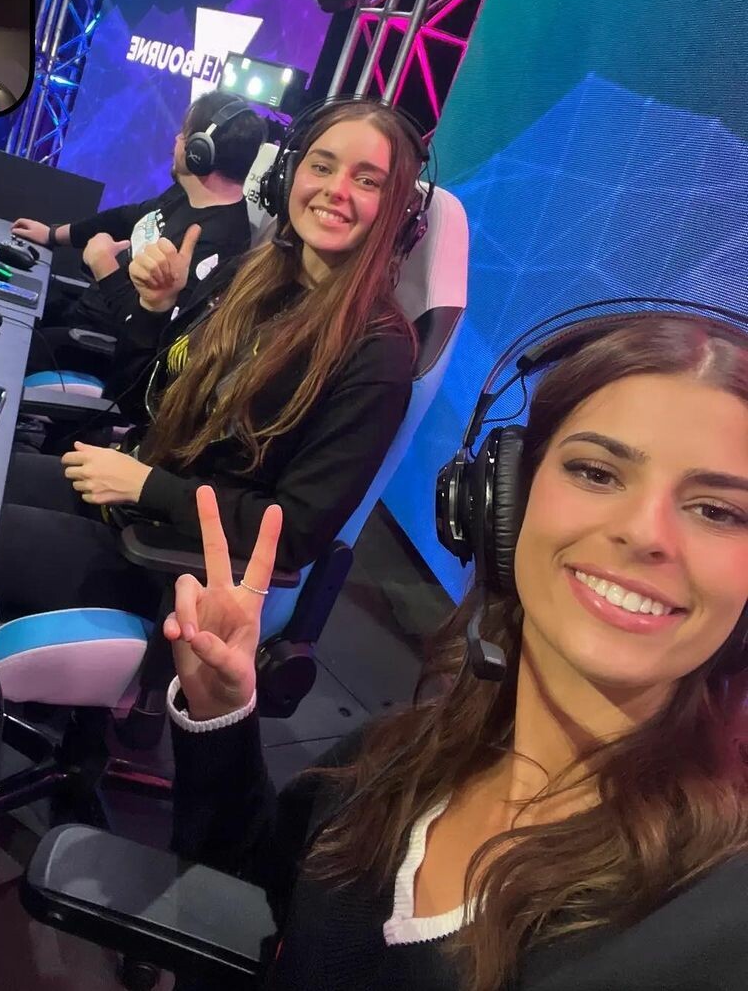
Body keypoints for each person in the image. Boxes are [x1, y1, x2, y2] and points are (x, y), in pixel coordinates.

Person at [163, 312, 748, 991]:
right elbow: (250, 897)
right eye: (596, 472)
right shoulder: (397, 755)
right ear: (499, 503)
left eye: (718, 511)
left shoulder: (713, 919)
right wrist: (220, 714)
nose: (646, 534)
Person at [0, 100, 425, 618]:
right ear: (288, 177)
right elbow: (141, 403)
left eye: (367, 180)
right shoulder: (247, 277)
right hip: (135, 497)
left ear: (399, 213)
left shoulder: (377, 354)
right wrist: (154, 309)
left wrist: (149, 487)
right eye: (322, 166)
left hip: (175, 567)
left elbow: (294, 533)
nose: (336, 189)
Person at [12, 90, 267, 379]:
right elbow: (126, 217)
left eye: (185, 134)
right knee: (7, 295)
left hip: (105, 347)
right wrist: (52, 234)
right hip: (87, 312)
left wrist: (104, 267)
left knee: (11, 341)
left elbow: (151, 334)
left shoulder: (217, 243)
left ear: (200, 152)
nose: (177, 139)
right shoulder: (186, 194)